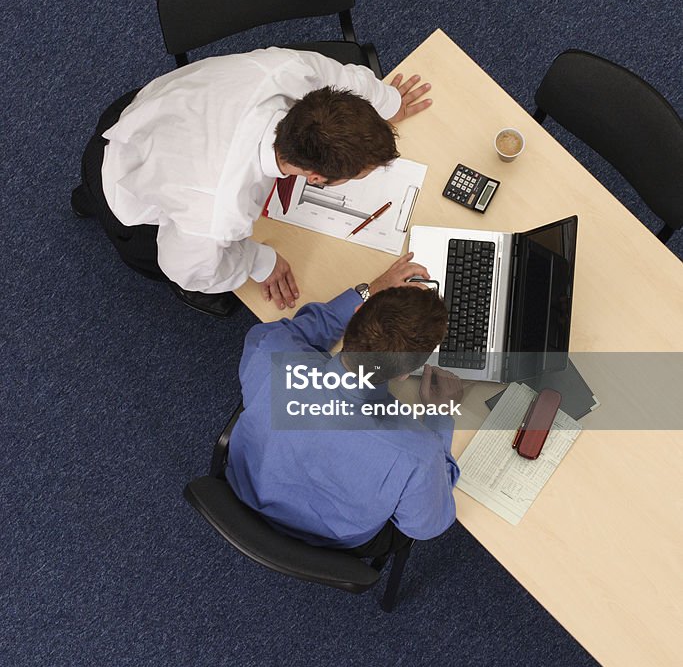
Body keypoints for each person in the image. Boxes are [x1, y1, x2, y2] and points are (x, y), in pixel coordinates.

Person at [71, 47, 432, 318]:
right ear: (317, 178)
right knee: (164, 256)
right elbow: (187, 267)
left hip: (144, 107)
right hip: (123, 183)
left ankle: (81, 199)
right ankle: (91, 201)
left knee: (88, 190)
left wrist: (386, 103)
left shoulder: (289, 72)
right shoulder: (219, 209)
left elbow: (340, 78)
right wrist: (261, 262)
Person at [226, 255, 462, 557]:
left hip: (246, 488)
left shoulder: (271, 350)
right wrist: (440, 416)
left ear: (358, 313)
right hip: (335, 542)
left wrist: (368, 289)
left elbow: (297, 330)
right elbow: (426, 524)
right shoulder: (418, 454)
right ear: (405, 373)